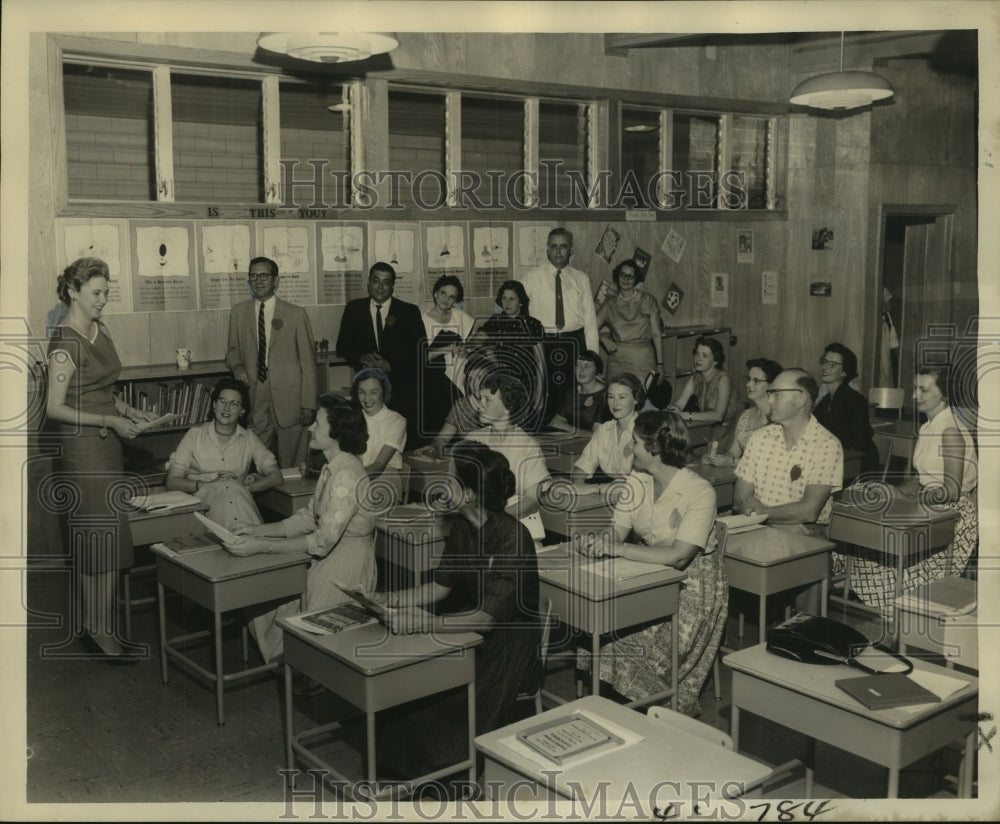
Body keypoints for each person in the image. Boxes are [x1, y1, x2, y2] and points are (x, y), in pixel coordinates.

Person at [374, 441, 542, 784]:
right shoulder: (463, 527)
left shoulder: (513, 537)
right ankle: (413, 774)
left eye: (449, 478)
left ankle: (447, 779)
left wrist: (426, 622)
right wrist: (390, 598)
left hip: (508, 646)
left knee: (439, 698)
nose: (440, 483)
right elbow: (440, 587)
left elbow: (485, 618)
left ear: (467, 494)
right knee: (411, 682)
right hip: (471, 627)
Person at [46, 257, 161, 661]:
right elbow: (54, 408)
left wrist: (130, 412)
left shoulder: (99, 330)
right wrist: (110, 420)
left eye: (106, 293)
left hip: (106, 445)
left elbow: (102, 388)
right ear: (73, 292)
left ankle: (96, 625)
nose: (103, 300)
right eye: (96, 293)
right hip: (83, 450)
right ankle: (99, 630)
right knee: (97, 541)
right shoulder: (65, 342)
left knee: (105, 541)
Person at [576, 410, 726, 716]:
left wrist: (617, 550)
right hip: (648, 570)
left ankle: (646, 713)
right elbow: (616, 532)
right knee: (599, 629)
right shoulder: (637, 479)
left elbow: (679, 556)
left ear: (655, 448)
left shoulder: (700, 491)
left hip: (694, 586)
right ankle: (621, 712)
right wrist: (599, 544)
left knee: (631, 646)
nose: (630, 449)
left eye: (635, 443)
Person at [224, 398, 376, 663]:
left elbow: (323, 540)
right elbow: (308, 518)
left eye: (317, 423)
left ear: (337, 433)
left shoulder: (346, 474)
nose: (310, 429)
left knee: (296, 626)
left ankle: (303, 673)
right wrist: (257, 530)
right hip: (329, 558)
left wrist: (262, 545)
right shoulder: (332, 468)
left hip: (346, 568)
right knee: (270, 601)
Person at [837, 366, 978, 611]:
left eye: (923, 389)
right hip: (931, 504)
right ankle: (874, 600)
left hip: (953, 517)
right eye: (915, 388)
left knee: (887, 543)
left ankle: (894, 608)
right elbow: (921, 478)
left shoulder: (950, 431)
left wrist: (910, 501)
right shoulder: (927, 428)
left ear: (944, 394)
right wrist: (895, 491)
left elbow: (952, 492)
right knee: (865, 521)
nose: (915, 396)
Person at [735, 368, 843, 613]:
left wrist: (763, 514)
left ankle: (805, 635)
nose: (769, 399)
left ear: (801, 398)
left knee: (812, 556)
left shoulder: (827, 445)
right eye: (770, 393)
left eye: (776, 394)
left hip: (804, 531)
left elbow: (808, 510)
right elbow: (740, 495)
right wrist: (768, 520)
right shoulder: (759, 438)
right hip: (758, 525)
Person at [225, 256, 317, 468]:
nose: (259, 280)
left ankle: (294, 500)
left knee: (293, 465)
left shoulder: (295, 314)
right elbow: (232, 351)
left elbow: (308, 363)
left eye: (264, 275)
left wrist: (308, 403)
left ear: (276, 280)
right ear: (248, 280)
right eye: (253, 275)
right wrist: (237, 365)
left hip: (290, 399)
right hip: (255, 394)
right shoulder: (238, 312)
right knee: (255, 461)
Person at [165, 378, 283, 532]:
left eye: (234, 404)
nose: (226, 408)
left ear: (242, 411)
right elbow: (172, 481)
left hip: (241, 499)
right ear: (214, 405)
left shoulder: (249, 438)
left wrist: (249, 488)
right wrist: (206, 485)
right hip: (205, 505)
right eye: (222, 401)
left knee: (235, 496)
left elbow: (276, 476)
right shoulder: (194, 435)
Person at [335, 262, 425, 447]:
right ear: (368, 283)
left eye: (386, 282)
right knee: (368, 442)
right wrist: (360, 357)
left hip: (401, 392)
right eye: (376, 281)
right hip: (366, 393)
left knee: (400, 444)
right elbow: (342, 346)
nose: (380, 287)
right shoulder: (354, 309)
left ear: (393, 286)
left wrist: (390, 365)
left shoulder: (409, 312)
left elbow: (420, 353)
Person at [521, 228, 600, 422]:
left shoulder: (581, 279)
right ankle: (545, 440)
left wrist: (593, 360)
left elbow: (590, 322)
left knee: (572, 394)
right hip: (543, 343)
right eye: (554, 246)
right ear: (547, 249)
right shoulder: (531, 277)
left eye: (563, 246)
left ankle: (573, 441)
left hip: (573, 342)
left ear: (570, 250)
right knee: (544, 394)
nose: (558, 251)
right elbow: (515, 309)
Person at [466, 373, 551, 539]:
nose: (480, 406)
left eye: (487, 400)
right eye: (480, 399)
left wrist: (495, 519)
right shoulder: (473, 439)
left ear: (507, 408)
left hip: (516, 527)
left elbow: (532, 501)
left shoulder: (528, 446)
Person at [477, 279, 546, 431]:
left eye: (512, 299)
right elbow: (475, 342)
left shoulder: (533, 324)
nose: (507, 303)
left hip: (527, 384)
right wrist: (489, 354)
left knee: (523, 430)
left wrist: (539, 396)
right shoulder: (495, 321)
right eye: (504, 298)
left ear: (521, 302)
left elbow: (541, 363)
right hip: (500, 383)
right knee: (500, 428)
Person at [570, 373, 645, 492]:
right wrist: (578, 487)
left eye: (622, 397)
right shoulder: (604, 430)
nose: (615, 403)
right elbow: (583, 464)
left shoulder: (645, 431)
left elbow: (638, 481)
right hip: (611, 491)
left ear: (636, 399)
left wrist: (595, 488)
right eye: (611, 397)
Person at [702, 358, 782, 468]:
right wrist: (714, 458)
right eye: (749, 379)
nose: (748, 384)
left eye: (756, 381)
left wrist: (733, 462)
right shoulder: (746, 415)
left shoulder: (781, 418)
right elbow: (733, 453)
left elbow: (772, 464)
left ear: (771, 385)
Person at [814, 343, 879, 475]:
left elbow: (859, 441)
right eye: (824, 362)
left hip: (859, 463)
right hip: (835, 458)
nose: (825, 367)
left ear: (844, 372)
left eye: (832, 364)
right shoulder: (826, 400)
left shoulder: (855, 400)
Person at [594, 259, 664, 382]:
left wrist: (660, 364)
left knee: (641, 398)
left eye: (630, 276)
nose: (626, 279)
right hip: (617, 363)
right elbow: (589, 328)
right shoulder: (609, 305)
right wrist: (602, 338)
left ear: (636, 279)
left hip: (643, 362)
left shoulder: (648, 300)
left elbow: (656, 334)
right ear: (617, 276)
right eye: (623, 275)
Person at [420, 274, 474, 433]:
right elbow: (421, 357)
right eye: (443, 293)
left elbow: (474, 348)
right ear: (435, 293)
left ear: (456, 300)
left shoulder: (463, 318)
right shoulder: (422, 320)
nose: (446, 299)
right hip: (434, 381)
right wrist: (448, 348)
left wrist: (467, 350)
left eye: (452, 297)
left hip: (460, 376)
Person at [351, 368, 407, 503]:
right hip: (356, 480)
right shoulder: (354, 418)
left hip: (384, 482)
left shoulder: (397, 421)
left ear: (384, 392)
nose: (367, 399)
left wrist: (348, 480)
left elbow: (379, 465)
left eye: (373, 392)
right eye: (362, 392)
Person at [668, 336, 732, 431]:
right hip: (705, 427)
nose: (698, 359)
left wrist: (683, 415)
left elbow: (718, 416)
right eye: (697, 354)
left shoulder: (723, 379)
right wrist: (672, 410)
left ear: (715, 361)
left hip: (725, 430)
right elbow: (680, 404)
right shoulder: (695, 377)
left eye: (704, 356)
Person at [546, 350, 608, 433]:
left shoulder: (604, 396)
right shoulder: (571, 392)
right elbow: (557, 422)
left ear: (597, 370)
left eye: (586, 366)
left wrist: (567, 427)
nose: (581, 370)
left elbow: (597, 436)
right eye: (578, 365)